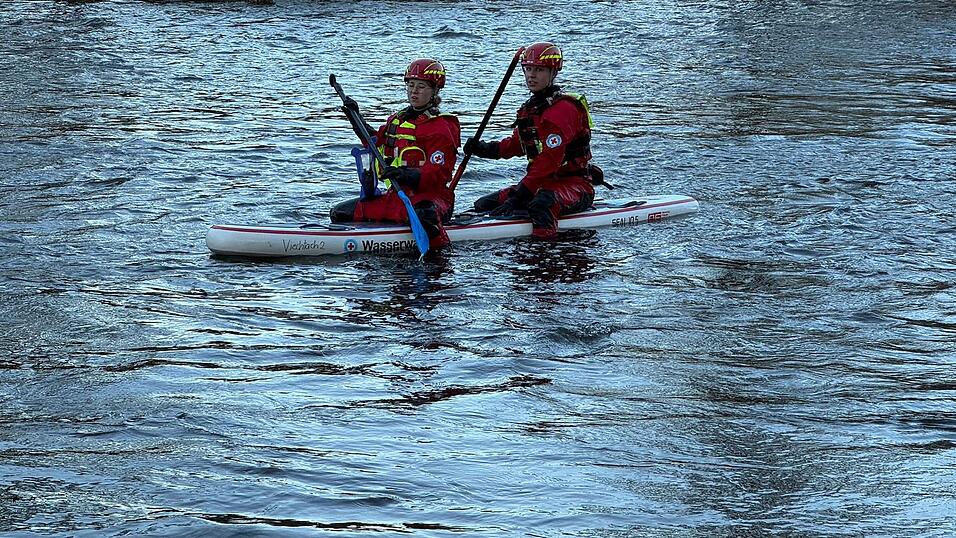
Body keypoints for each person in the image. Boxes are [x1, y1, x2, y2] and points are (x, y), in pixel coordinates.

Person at [465, 42, 600, 240]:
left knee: (541, 203)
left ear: (553, 72)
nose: (531, 75)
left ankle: (544, 251)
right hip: (540, 184)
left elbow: (549, 160)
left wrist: (521, 194)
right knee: (483, 205)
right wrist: (484, 149)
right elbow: (517, 145)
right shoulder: (531, 110)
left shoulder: (564, 110)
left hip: (575, 185)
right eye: (528, 69)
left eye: (539, 70)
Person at [330, 58, 461, 250]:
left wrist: (406, 175)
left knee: (425, 215)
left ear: (434, 91)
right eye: (411, 85)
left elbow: (438, 173)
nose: (414, 91)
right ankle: (371, 242)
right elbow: (374, 143)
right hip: (397, 198)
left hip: (432, 199)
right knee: (339, 212)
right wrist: (355, 117)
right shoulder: (397, 120)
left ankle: (439, 258)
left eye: (421, 86)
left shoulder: (441, 127)